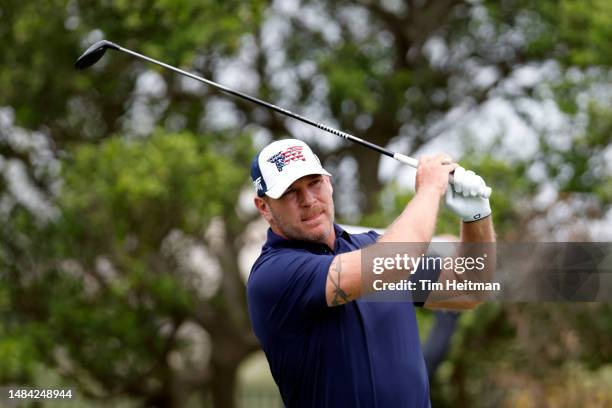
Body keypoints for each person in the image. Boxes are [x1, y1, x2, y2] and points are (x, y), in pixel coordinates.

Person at [247, 138, 495, 407]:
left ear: (329, 183)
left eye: (314, 182)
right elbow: (394, 260)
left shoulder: (369, 246)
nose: (308, 200)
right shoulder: (275, 274)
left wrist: (477, 216)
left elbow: (469, 288)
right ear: (264, 207)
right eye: (289, 192)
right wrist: (430, 188)